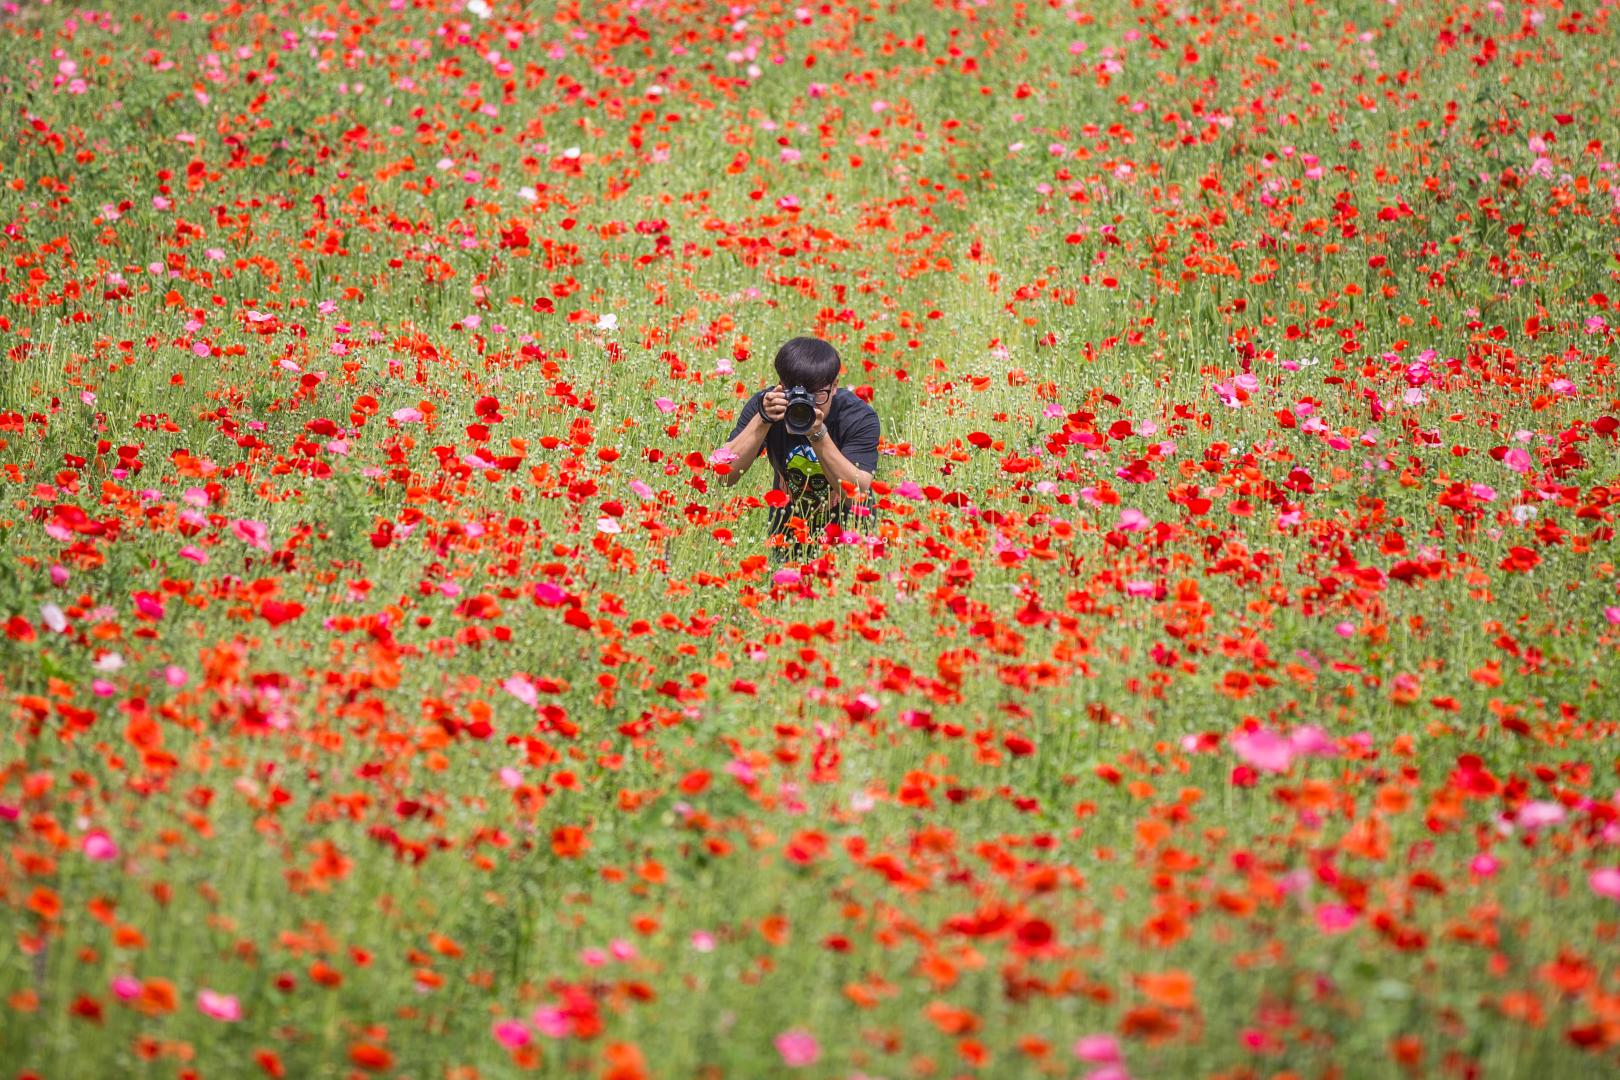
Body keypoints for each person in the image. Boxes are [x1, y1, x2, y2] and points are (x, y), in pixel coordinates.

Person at [714, 336, 880, 559]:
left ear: (835, 386)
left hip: (850, 537)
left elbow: (857, 493)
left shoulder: (858, 416)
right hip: (787, 534)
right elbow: (724, 475)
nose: (808, 403)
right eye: (796, 394)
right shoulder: (766, 406)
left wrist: (819, 435)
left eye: (819, 394)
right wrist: (763, 419)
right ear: (781, 386)